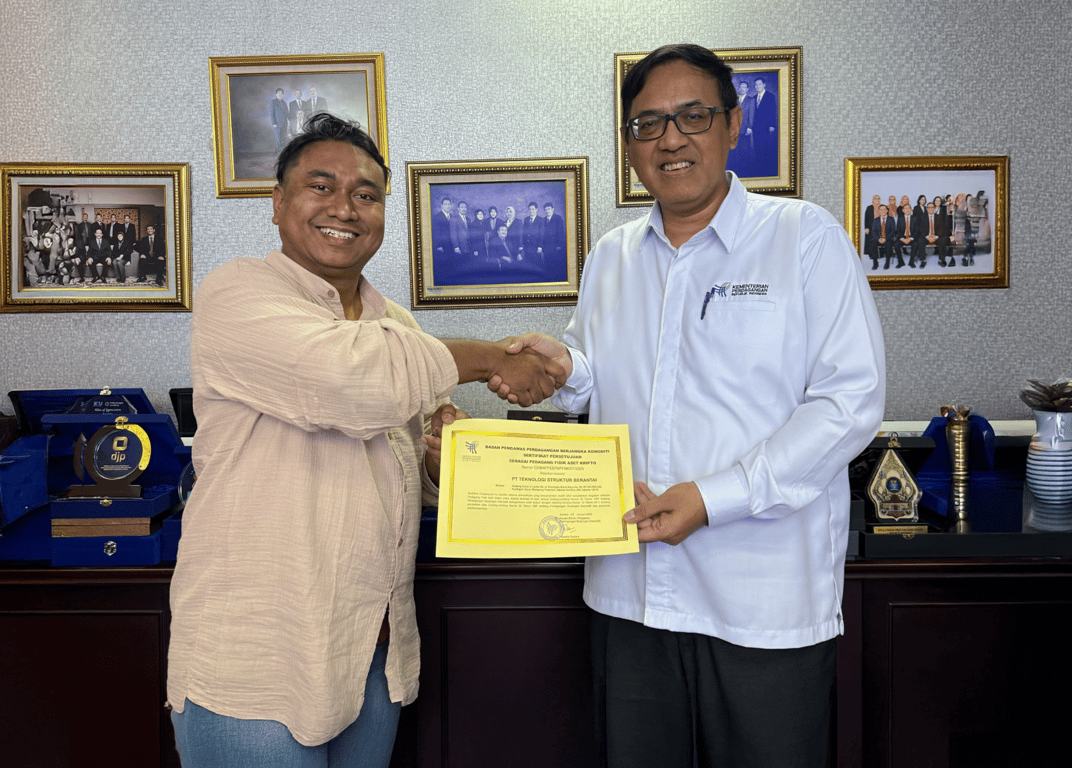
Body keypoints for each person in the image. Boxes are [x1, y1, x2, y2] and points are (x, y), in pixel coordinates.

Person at [496, 43, 884, 768]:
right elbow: (602, 377)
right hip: (630, 592)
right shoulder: (611, 257)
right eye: (648, 124)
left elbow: (848, 403)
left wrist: (712, 498)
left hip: (762, 601)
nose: (670, 139)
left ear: (733, 125)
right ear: (630, 145)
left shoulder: (803, 239)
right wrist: (563, 370)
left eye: (692, 116)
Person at [166, 113, 565, 768]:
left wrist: (445, 461)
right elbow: (347, 381)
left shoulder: (397, 325)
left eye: (365, 194)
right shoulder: (236, 292)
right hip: (256, 655)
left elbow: (410, 463)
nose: (344, 208)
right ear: (278, 203)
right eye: (320, 186)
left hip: (373, 648)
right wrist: (493, 359)